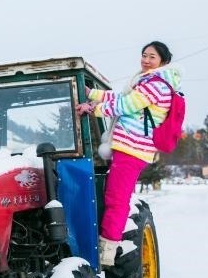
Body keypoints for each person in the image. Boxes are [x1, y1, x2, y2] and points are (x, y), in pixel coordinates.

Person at [75, 41, 182, 267]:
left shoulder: (157, 85)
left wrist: (91, 108)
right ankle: (106, 247)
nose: (146, 60)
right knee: (115, 197)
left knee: (116, 200)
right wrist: (91, 93)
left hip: (133, 149)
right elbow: (120, 98)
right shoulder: (148, 81)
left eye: (152, 56)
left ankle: (106, 253)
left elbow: (126, 105)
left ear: (163, 61)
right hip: (129, 148)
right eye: (144, 55)